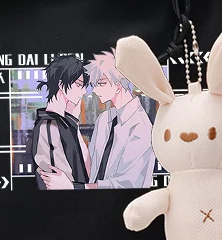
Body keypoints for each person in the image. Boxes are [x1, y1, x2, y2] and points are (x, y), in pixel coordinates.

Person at [39, 50, 154, 190]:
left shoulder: (141, 127)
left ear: (118, 86)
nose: (94, 90)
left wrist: (74, 187)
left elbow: (128, 184)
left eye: (101, 83)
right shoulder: (104, 120)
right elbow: (91, 169)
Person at [31, 55, 90, 190]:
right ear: (62, 85)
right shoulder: (49, 126)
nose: (84, 91)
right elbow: (59, 182)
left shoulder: (65, 123)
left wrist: (73, 121)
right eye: (79, 85)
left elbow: (86, 171)